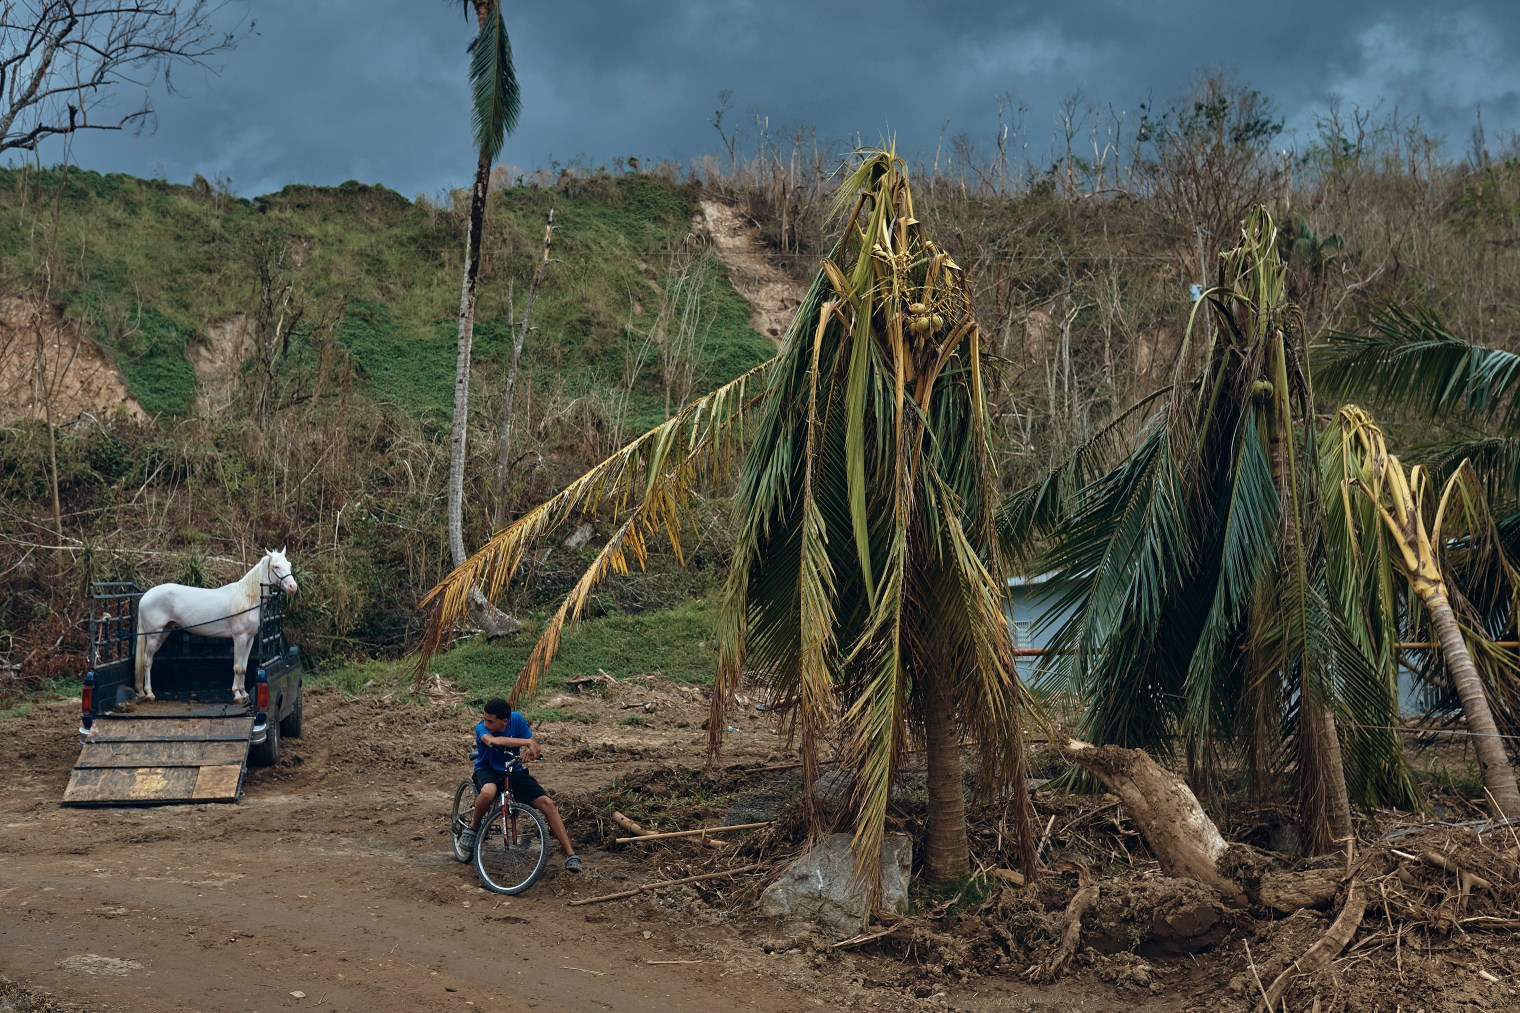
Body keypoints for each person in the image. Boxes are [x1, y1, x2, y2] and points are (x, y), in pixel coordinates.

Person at [460, 697, 582, 872]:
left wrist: (529, 752)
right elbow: (493, 741)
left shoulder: (517, 719)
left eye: (490, 721)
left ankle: (571, 855)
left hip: (513, 768)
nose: (485, 723)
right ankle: (473, 828)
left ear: (505, 721)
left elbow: (530, 743)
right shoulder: (481, 728)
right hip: (487, 770)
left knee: (547, 803)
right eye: (484, 719)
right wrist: (528, 743)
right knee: (488, 792)